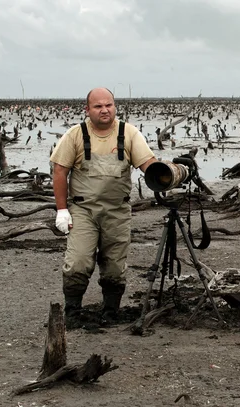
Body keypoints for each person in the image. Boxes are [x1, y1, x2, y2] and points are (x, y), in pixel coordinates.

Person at [50, 87, 157, 326]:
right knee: (78, 261)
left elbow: (148, 163)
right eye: (98, 106)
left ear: (114, 106)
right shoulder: (75, 135)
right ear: (87, 110)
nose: (104, 110)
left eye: (108, 105)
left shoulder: (128, 133)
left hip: (117, 211)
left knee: (115, 267)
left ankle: (110, 311)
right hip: (83, 211)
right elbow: (59, 171)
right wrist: (61, 209)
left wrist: (164, 175)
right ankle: (73, 312)